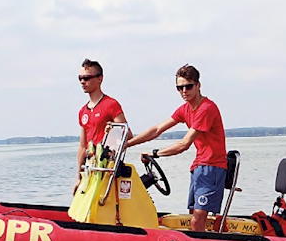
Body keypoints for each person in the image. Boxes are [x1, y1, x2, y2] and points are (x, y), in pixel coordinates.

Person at [126, 64, 227, 231]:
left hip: (213, 168)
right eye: (179, 88)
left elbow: (184, 144)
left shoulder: (206, 109)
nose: (184, 91)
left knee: (197, 221)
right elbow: (157, 129)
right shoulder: (185, 109)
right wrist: (128, 144)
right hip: (198, 167)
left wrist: (154, 153)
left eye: (188, 86)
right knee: (190, 217)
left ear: (198, 85)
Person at [73, 58, 131, 194]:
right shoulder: (83, 111)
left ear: (100, 79)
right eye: (80, 78)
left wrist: (112, 134)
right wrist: (78, 176)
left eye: (86, 78)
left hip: (107, 167)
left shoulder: (111, 104)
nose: (82, 82)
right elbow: (82, 145)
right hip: (90, 167)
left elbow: (127, 135)